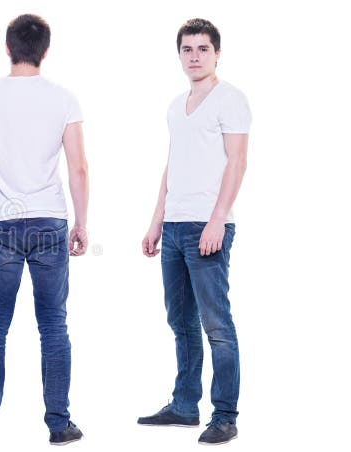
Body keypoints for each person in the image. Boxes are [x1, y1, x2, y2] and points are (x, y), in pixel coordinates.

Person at [0, 14, 90, 446]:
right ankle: (59, 424)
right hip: (49, 220)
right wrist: (82, 222)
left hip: (2, 222)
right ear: (45, 51)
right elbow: (78, 167)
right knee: (53, 325)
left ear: (7, 47)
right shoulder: (64, 99)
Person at [137, 18, 251, 446]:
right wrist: (155, 220)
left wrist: (217, 219)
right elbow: (173, 163)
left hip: (209, 225)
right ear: (180, 55)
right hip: (174, 225)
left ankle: (224, 415)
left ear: (217, 53)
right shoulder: (175, 105)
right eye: (187, 49)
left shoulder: (230, 99)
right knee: (179, 320)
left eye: (203, 49)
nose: (195, 56)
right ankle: (185, 405)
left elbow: (237, 162)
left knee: (216, 324)